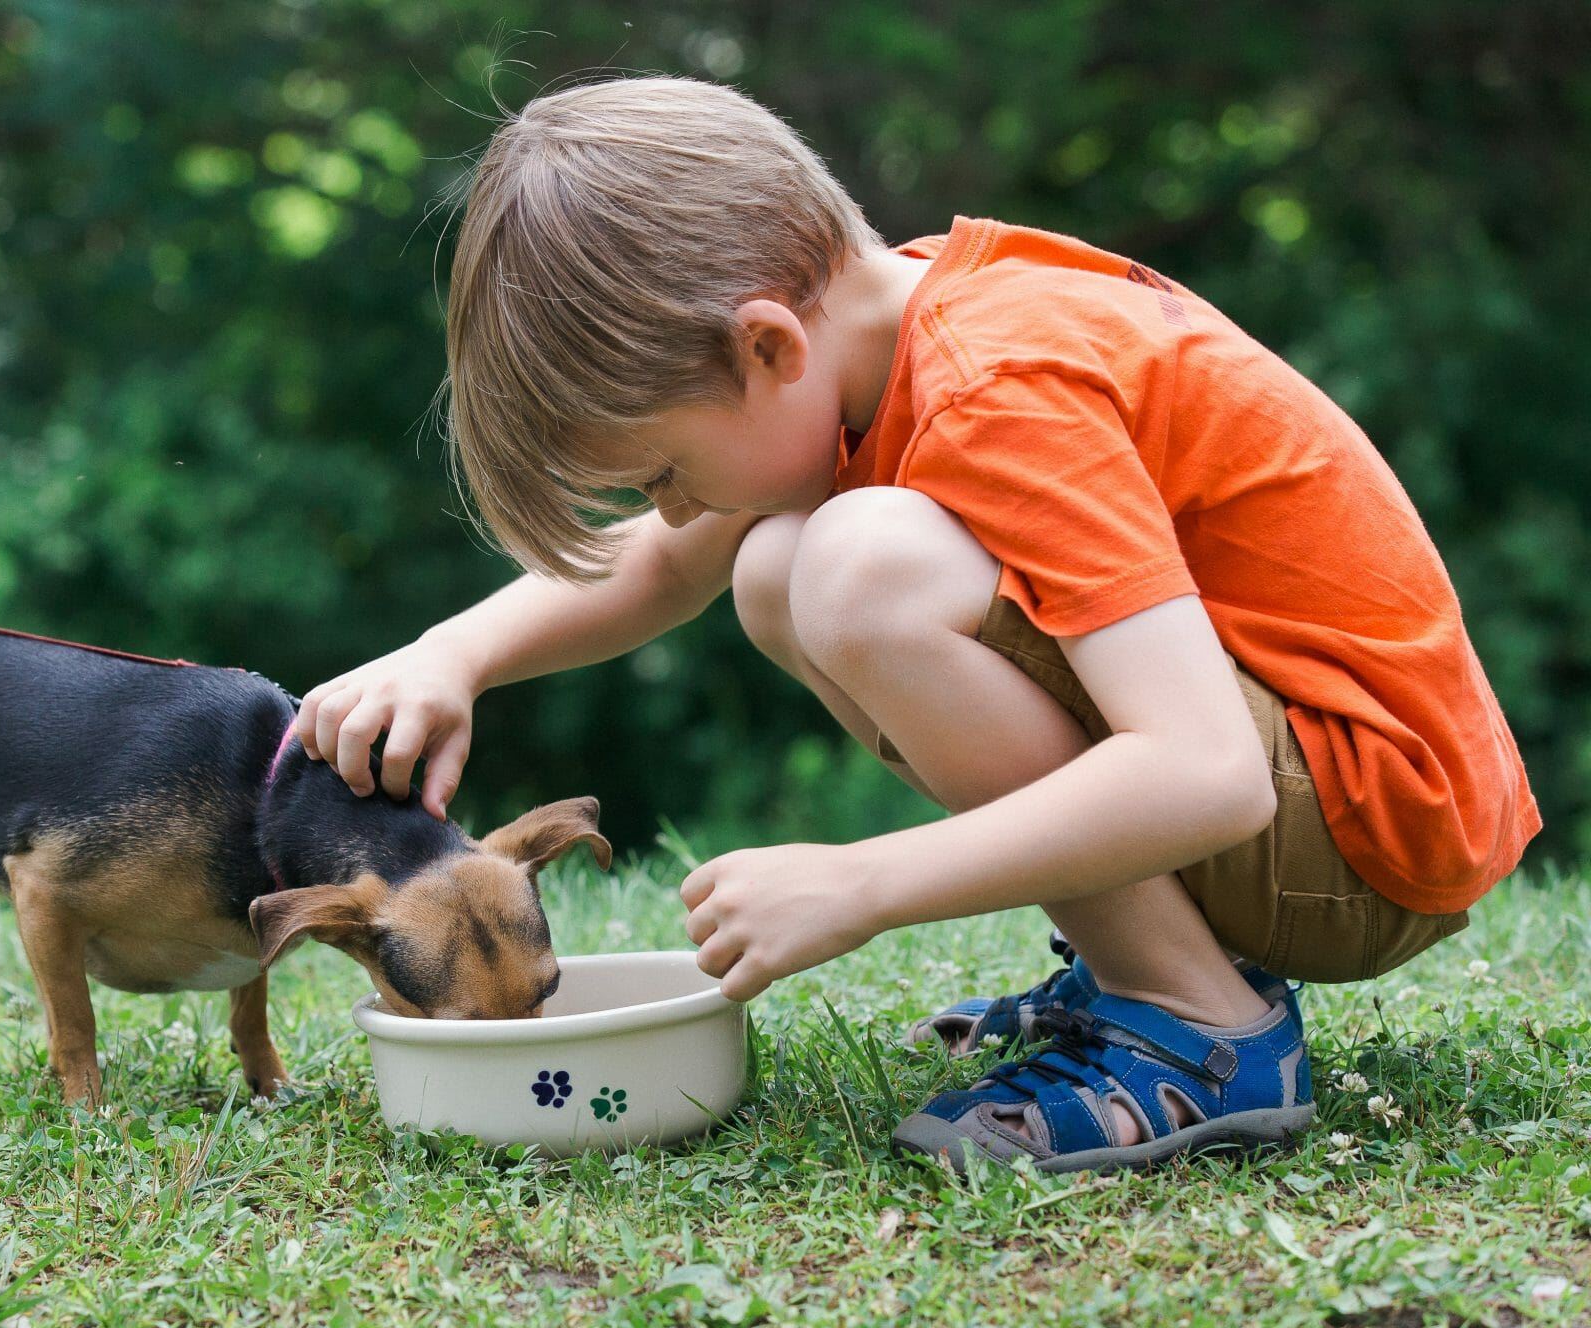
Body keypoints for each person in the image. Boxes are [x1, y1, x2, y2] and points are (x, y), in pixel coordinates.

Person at [291, 77, 1539, 1171]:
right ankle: (1135, 968)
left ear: (765, 343)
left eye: (663, 470)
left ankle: (1200, 1028)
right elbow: (668, 569)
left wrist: (863, 882)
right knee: (777, 559)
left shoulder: (996, 389)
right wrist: (451, 653)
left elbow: (1208, 774)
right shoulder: (875, 335)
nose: (671, 511)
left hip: (1366, 827)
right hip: (1314, 796)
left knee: (851, 564)